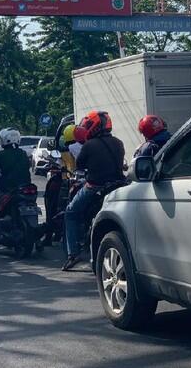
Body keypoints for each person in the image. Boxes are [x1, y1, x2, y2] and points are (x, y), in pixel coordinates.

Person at [62, 111, 124, 271]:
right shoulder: (118, 142)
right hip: (117, 184)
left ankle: (73, 254)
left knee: (70, 212)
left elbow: (80, 165)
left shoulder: (89, 145)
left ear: (94, 127)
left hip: (95, 186)